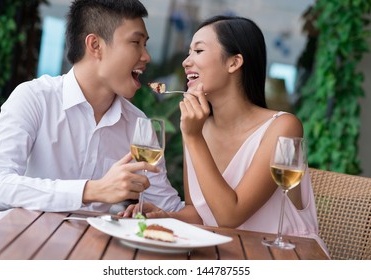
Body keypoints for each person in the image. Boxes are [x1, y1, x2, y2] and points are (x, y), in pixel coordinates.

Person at [123, 15, 328, 254]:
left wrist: (192, 137)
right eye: (189, 52)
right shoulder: (199, 128)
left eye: (198, 51)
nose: (186, 62)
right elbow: (199, 212)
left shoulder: (283, 126)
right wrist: (165, 217)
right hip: (226, 256)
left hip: (285, 259)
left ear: (234, 62)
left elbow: (230, 216)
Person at [0, 0, 183, 224]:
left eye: (145, 44)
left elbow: (169, 207)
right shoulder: (34, 98)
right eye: (136, 42)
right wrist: (91, 190)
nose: (147, 57)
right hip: (19, 250)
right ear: (95, 45)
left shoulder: (138, 123)